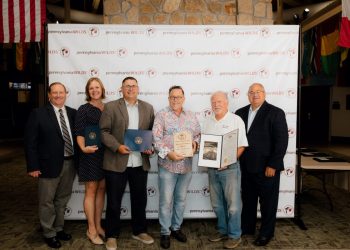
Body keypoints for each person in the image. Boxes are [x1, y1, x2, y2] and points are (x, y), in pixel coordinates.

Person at [100, 76, 155, 250]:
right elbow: (103, 132)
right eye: (127, 86)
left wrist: (150, 147)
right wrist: (117, 147)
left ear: (138, 88)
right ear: (121, 89)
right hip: (117, 161)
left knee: (140, 199)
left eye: (133, 86)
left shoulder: (148, 108)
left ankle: (139, 231)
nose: (130, 89)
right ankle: (111, 235)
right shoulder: (110, 107)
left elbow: (152, 133)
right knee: (114, 202)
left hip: (139, 162)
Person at [24, 82, 77, 249]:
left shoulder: (72, 113)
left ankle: (59, 228)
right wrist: (33, 166)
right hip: (48, 165)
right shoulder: (38, 114)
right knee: (46, 201)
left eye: (61, 92)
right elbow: (30, 142)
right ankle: (48, 233)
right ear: (49, 95)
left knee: (62, 199)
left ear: (66, 94)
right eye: (55, 92)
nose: (58, 95)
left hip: (70, 163)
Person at [235, 83, 288, 247]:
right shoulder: (240, 113)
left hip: (267, 168)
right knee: (248, 200)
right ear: (247, 95)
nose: (255, 94)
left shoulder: (276, 113)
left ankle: (266, 233)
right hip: (246, 166)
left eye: (258, 91)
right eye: (251, 92)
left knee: (268, 203)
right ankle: (247, 228)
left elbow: (281, 142)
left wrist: (273, 164)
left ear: (264, 93)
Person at [152, 85, 200, 249]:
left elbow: (198, 136)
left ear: (183, 98)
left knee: (180, 200)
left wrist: (195, 144)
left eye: (178, 97)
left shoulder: (192, 116)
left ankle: (176, 228)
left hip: (186, 166)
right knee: (166, 201)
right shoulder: (161, 115)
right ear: (168, 98)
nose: (175, 100)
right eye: (172, 97)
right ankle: (165, 232)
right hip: (167, 165)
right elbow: (156, 140)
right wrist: (168, 153)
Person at [202, 91, 248, 249]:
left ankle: (235, 235)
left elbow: (241, 145)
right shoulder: (207, 121)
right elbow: (205, 145)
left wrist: (228, 162)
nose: (216, 104)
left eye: (220, 101)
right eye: (214, 102)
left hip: (230, 169)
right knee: (217, 203)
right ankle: (222, 230)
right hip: (212, 169)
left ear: (227, 103)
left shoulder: (236, 120)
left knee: (233, 205)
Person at [75, 77, 106, 245]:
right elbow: (79, 132)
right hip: (89, 154)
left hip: (105, 155)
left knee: (101, 190)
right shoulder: (83, 109)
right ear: (88, 91)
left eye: (97, 87)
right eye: (91, 88)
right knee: (91, 191)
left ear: (102, 89)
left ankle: (99, 226)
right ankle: (91, 229)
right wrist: (83, 148)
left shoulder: (107, 108)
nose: (95, 90)